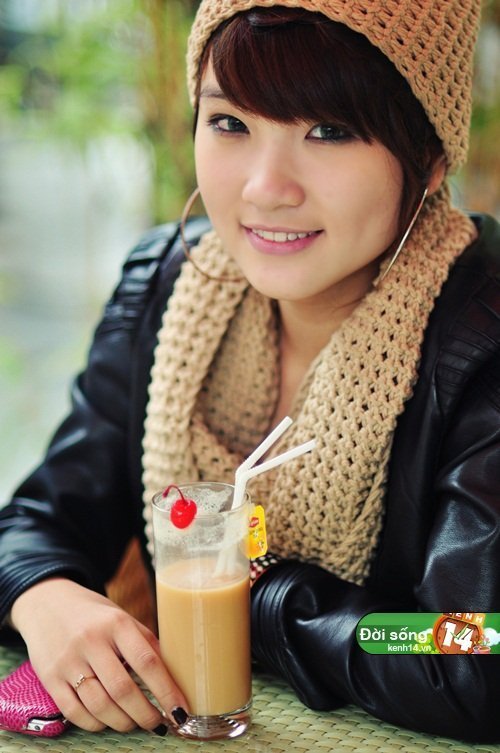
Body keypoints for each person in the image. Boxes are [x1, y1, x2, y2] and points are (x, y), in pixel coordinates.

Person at [1, 0, 499, 743]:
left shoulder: (481, 344)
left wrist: (258, 594)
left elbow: (475, 647)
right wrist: (43, 596)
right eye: (230, 122)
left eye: (329, 130)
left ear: (428, 159)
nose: (266, 187)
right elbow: (38, 519)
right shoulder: (166, 286)